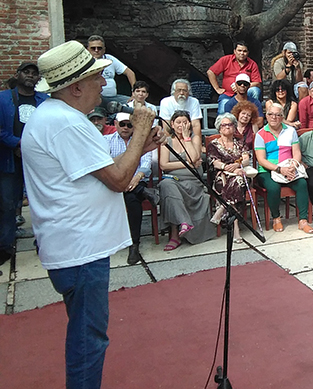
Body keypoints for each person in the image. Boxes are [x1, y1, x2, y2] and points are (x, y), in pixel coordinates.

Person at [22, 40, 165, 389]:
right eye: (98, 77)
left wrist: (140, 145)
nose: (104, 84)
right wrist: (142, 128)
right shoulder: (66, 124)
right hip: (79, 250)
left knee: (87, 333)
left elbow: (106, 169)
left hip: (75, 246)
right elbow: (118, 179)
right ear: (76, 87)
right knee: (89, 339)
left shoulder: (59, 118)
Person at [0, 61, 48, 267]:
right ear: (18, 75)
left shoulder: (44, 101)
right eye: (26, 72)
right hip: (10, 159)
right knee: (7, 204)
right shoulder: (3, 99)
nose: (30, 76)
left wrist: (32, 147)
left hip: (37, 161)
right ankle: (5, 246)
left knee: (42, 203)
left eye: (34, 73)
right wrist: (18, 144)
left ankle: (44, 244)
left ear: (39, 79)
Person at [104, 112, 159, 265]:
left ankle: (134, 245)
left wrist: (136, 177)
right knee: (132, 196)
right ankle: (145, 193)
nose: (126, 128)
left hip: (136, 180)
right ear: (115, 124)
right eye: (123, 124)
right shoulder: (106, 141)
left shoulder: (140, 142)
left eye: (130, 125)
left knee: (132, 199)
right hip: (115, 180)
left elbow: (146, 163)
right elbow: (107, 165)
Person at [255, 103, 313, 233]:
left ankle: (303, 220)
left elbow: (297, 153)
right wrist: (279, 169)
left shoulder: (290, 131)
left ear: (282, 117)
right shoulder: (260, 134)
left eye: (278, 115)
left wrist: (292, 166)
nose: (274, 117)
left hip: (289, 167)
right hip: (268, 170)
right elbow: (261, 160)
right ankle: (276, 218)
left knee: (302, 184)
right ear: (266, 115)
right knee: (273, 187)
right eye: (271, 114)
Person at [158, 110, 214, 251]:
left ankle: (176, 235)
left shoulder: (194, 139)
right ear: (172, 124)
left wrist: (186, 138)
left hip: (192, 181)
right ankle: (183, 223)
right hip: (172, 180)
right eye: (178, 122)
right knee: (166, 185)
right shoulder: (166, 140)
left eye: (184, 122)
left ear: (189, 124)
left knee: (169, 188)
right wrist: (187, 163)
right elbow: (163, 165)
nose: (181, 125)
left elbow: (194, 157)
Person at [207, 113, 252, 244]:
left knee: (239, 181)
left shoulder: (240, 143)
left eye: (230, 124)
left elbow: (246, 159)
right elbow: (214, 162)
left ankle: (221, 208)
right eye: (224, 125)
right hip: (222, 176)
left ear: (234, 127)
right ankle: (236, 229)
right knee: (236, 184)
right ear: (219, 128)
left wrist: (237, 165)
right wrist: (227, 168)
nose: (227, 127)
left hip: (240, 174)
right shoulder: (213, 145)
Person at [207, 41, 262, 114]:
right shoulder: (225, 60)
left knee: (255, 90)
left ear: (248, 52)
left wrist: (242, 86)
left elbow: (257, 82)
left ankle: (253, 113)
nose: (242, 53)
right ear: (234, 51)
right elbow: (210, 72)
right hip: (228, 94)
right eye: (239, 50)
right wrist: (217, 88)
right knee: (223, 109)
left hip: (245, 95)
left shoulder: (252, 64)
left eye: (244, 51)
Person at [86, 35, 136, 108]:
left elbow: (130, 73)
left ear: (104, 50)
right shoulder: (85, 62)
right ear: (88, 49)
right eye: (93, 48)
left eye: (99, 48)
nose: (96, 50)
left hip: (113, 98)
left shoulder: (110, 59)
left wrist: (134, 93)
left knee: (134, 103)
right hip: (94, 98)